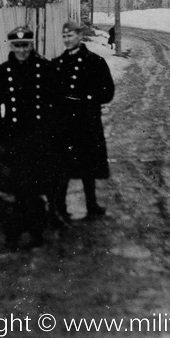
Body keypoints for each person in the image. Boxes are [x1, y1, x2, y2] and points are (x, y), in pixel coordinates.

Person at [0, 27, 59, 249]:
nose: (22, 50)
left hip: (38, 137)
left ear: (32, 45)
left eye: (25, 45)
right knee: (16, 190)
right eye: (17, 46)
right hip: (14, 138)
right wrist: (1, 130)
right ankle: (13, 231)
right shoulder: (3, 71)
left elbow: (53, 102)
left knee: (35, 188)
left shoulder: (44, 68)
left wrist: (49, 131)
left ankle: (36, 231)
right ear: (11, 47)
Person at [51, 21, 115, 221]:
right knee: (62, 167)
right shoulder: (57, 64)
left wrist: (87, 98)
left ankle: (92, 205)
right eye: (64, 36)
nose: (67, 40)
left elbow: (107, 92)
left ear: (79, 36)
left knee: (88, 166)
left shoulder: (94, 62)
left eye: (70, 35)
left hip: (86, 122)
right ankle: (59, 207)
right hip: (64, 125)